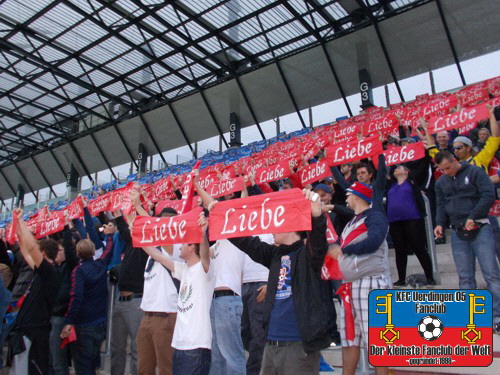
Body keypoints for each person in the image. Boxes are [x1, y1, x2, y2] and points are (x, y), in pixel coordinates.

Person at [226, 189, 331, 374]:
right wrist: (222, 221)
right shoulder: (275, 255)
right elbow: (247, 243)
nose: (272, 229)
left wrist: (316, 217)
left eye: (276, 223)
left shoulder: (308, 255)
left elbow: (319, 242)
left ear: (291, 223)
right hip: (270, 345)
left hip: (298, 346)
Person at [433, 151, 500, 334]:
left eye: (448, 167)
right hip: (457, 229)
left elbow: (488, 195)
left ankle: (497, 316)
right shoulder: (441, 182)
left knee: (491, 274)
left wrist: (474, 216)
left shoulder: (475, 172)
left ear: (455, 161)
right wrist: (439, 223)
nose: (446, 171)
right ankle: (471, 318)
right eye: (442, 169)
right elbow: (440, 205)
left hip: (480, 227)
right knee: (465, 277)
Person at [328, 182, 390, 375]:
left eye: (348, 195)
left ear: (356, 196)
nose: (346, 198)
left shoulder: (376, 216)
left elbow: (374, 241)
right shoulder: (351, 223)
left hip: (370, 281)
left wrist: (343, 250)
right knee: (349, 339)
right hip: (350, 285)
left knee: (377, 339)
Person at [141, 212, 214, 375]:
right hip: (179, 344)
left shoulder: (204, 270)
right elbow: (157, 255)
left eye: (183, 243)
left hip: (197, 346)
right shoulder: (183, 270)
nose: (178, 246)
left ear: (192, 247)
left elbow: (205, 255)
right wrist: (137, 233)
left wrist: (202, 233)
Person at [7, 208, 60, 375]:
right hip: (25, 332)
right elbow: (25, 249)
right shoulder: (40, 271)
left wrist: (22, 221)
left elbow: (30, 248)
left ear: (42, 253)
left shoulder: (49, 272)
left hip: (35, 335)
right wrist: (17, 226)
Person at [134, 196, 179, 375]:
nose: (161, 226)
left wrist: (138, 206)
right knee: (143, 369)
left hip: (166, 315)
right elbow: (136, 228)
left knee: (167, 369)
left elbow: (156, 229)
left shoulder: (176, 248)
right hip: (147, 316)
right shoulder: (152, 252)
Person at [60, 228, 115, 375]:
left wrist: (69, 321)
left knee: (83, 365)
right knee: (92, 362)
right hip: (100, 323)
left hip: (84, 324)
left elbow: (76, 297)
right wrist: (109, 235)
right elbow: (109, 251)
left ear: (78, 254)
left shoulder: (79, 271)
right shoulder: (101, 265)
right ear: (92, 252)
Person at [111, 205, 149, 375]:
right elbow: (124, 229)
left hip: (136, 300)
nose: (132, 227)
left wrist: (129, 213)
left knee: (137, 348)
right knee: (116, 347)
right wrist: (119, 213)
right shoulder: (130, 244)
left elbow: (127, 229)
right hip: (121, 300)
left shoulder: (147, 246)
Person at [386, 165, 435, 286]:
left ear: (407, 171)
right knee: (399, 250)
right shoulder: (390, 185)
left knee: (418, 248)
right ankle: (401, 279)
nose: (396, 169)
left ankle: (430, 277)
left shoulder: (412, 183)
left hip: (412, 219)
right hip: (394, 221)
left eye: (400, 167)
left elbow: (423, 168)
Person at [50, 218, 79, 375]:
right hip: (50, 314)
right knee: (50, 357)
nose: (55, 254)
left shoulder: (71, 266)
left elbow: (68, 248)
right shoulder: (54, 267)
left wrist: (67, 228)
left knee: (58, 360)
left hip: (61, 317)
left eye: (58, 251)